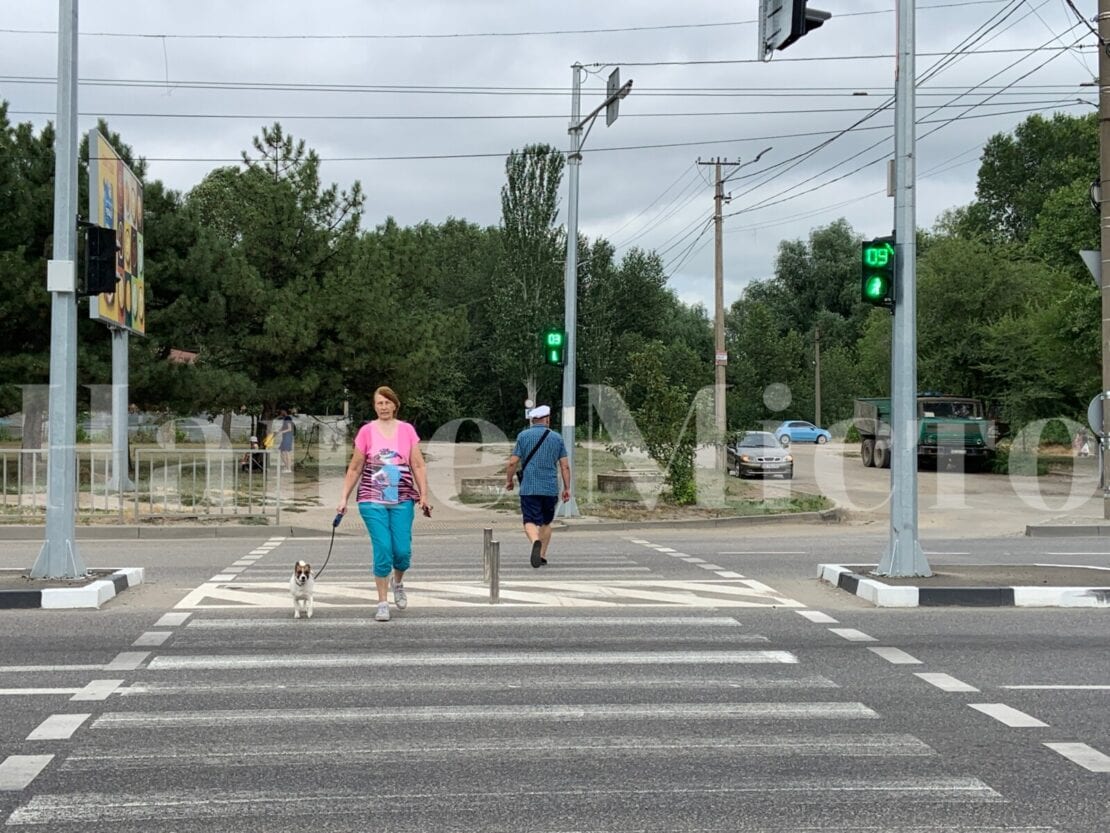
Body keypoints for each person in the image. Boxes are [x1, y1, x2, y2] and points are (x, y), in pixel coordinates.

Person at [337, 386, 430, 622]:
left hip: (402, 498)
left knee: (402, 552)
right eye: (379, 403)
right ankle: (382, 602)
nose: (384, 407)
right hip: (372, 498)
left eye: (387, 403)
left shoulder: (407, 430)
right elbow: (355, 467)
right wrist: (343, 498)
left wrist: (424, 495)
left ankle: (397, 583)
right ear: (374, 406)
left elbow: (418, 465)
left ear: (395, 405)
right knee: (383, 550)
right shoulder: (367, 431)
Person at [504, 405, 570, 568]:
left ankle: (535, 541)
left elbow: (513, 462)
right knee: (546, 522)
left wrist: (509, 480)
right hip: (550, 488)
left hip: (529, 488)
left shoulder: (523, 436)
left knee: (530, 520)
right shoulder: (557, 438)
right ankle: (541, 556)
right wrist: (567, 488)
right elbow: (564, 466)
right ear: (547, 419)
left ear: (533, 420)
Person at [277, 409, 295, 473]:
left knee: (287, 452)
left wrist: (281, 432)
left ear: (284, 411)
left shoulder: (288, 418)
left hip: (288, 437)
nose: (281, 413)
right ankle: (287, 466)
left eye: (281, 412)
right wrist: (277, 431)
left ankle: (289, 469)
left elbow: (289, 429)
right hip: (285, 437)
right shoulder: (285, 419)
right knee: (281, 452)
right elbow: (283, 427)